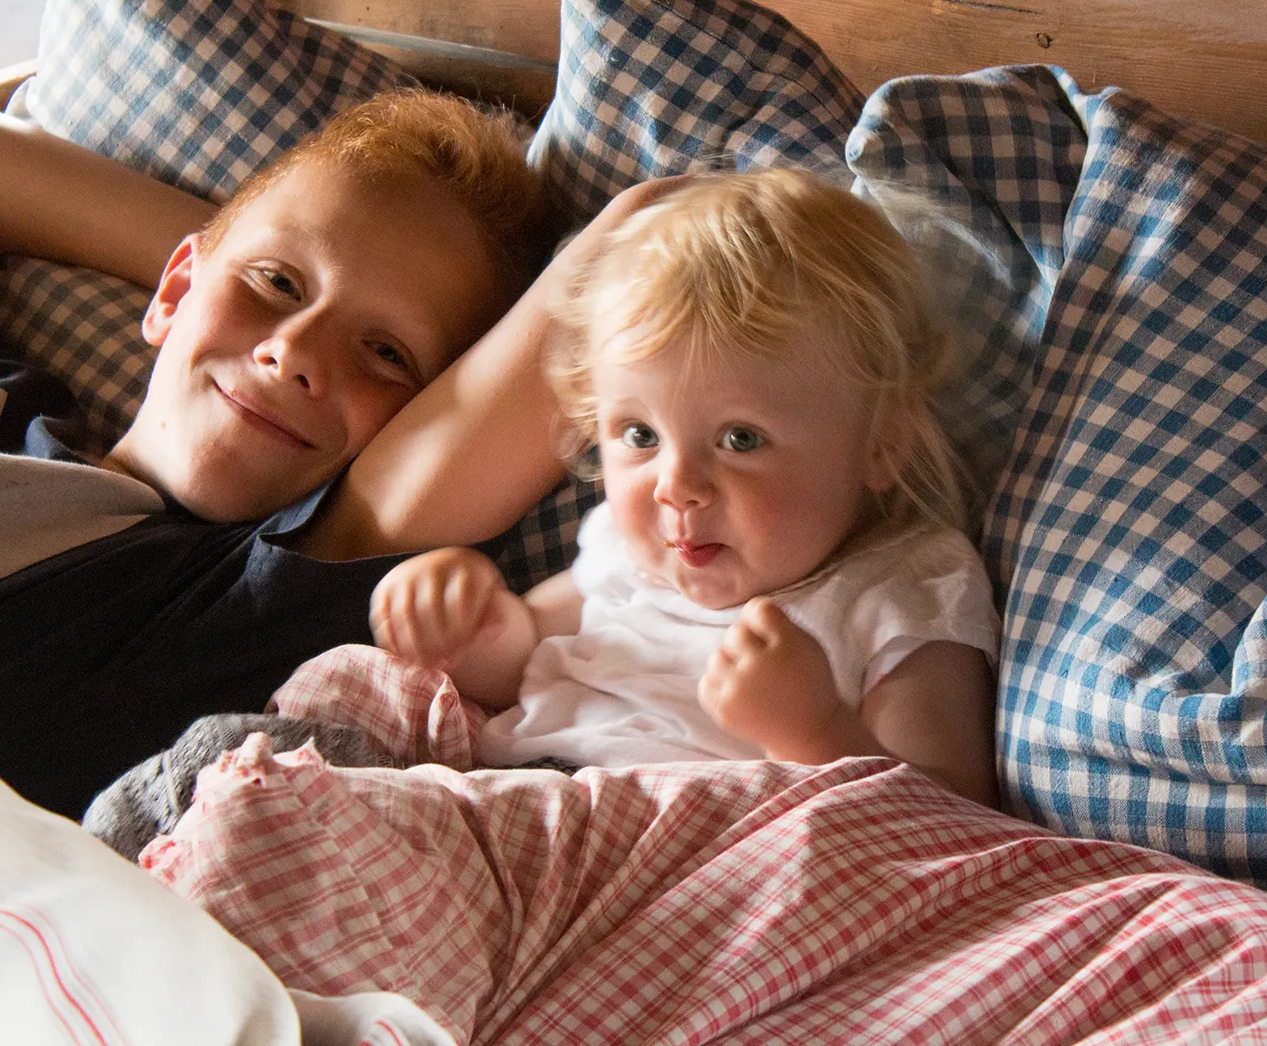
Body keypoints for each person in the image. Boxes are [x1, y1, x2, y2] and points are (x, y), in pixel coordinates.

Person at [0, 86, 665, 818]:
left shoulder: (257, 598)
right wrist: (220, 252)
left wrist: (245, 267)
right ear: (175, 285)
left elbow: (648, 237)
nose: (294, 353)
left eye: (385, 352)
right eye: (278, 283)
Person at [370, 170, 1001, 806]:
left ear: (881, 445)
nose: (676, 487)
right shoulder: (627, 551)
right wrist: (468, 623)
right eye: (640, 435)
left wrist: (813, 731)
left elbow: (951, 815)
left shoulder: (901, 588)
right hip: (519, 794)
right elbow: (523, 666)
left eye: (741, 440)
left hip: (682, 841)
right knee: (358, 683)